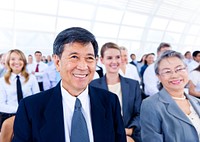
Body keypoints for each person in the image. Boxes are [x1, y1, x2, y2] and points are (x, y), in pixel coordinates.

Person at [12, 27, 126, 142]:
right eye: (74, 57)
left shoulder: (110, 102)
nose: (82, 66)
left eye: (89, 58)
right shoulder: (31, 108)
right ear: (57, 62)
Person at [140, 50, 200, 142]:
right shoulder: (151, 105)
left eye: (179, 69)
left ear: (187, 70)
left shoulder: (197, 102)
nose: (174, 75)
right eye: (167, 71)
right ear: (158, 77)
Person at [90, 42, 142, 142]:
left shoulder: (133, 85)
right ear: (102, 60)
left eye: (117, 57)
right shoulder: (92, 85)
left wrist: (129, 131)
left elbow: (139, 113)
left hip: (129, 135)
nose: (114, 61)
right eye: (109, 58)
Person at [0, 49, 40, 142]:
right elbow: (1, 105)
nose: (17, 62)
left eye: (20, 59)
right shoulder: (2, 81)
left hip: (30, 117)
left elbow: (38, 100)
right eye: (13, 59)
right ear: (8, 61)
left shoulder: (31, 78)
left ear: (24, 62)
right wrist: (21, 111)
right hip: (9, 117)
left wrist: (27, 112)